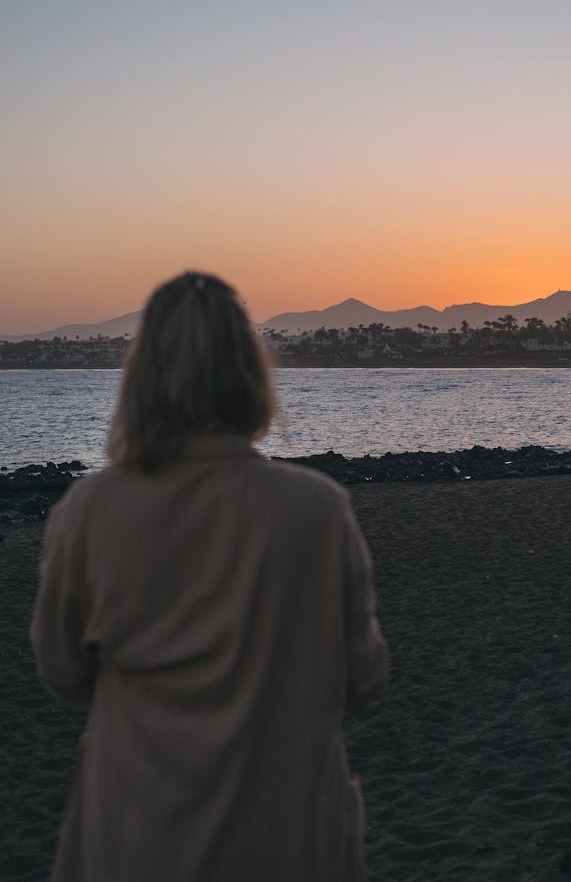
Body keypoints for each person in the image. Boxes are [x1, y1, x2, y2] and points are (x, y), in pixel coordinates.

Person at [31, 270, 388, 882]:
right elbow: (365, 681)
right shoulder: (316, 507)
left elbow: (63, 671)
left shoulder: (89, 509)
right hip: (289, 839)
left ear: (141, 379)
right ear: (252, 377)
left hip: (135, 836)